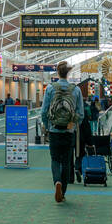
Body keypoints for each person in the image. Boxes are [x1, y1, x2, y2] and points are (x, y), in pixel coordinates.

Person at [41, 61, 83, 203]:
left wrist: (48, 126)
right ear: (68, 73)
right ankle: (63, 191)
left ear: (58, 72)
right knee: (66, 161)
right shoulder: (76, 89)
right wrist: (73, 125)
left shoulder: (50, 88)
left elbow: (44, 111)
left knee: (54, 159)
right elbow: (80, 113)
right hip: (68, 132)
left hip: (54, 130)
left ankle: (57, 182)